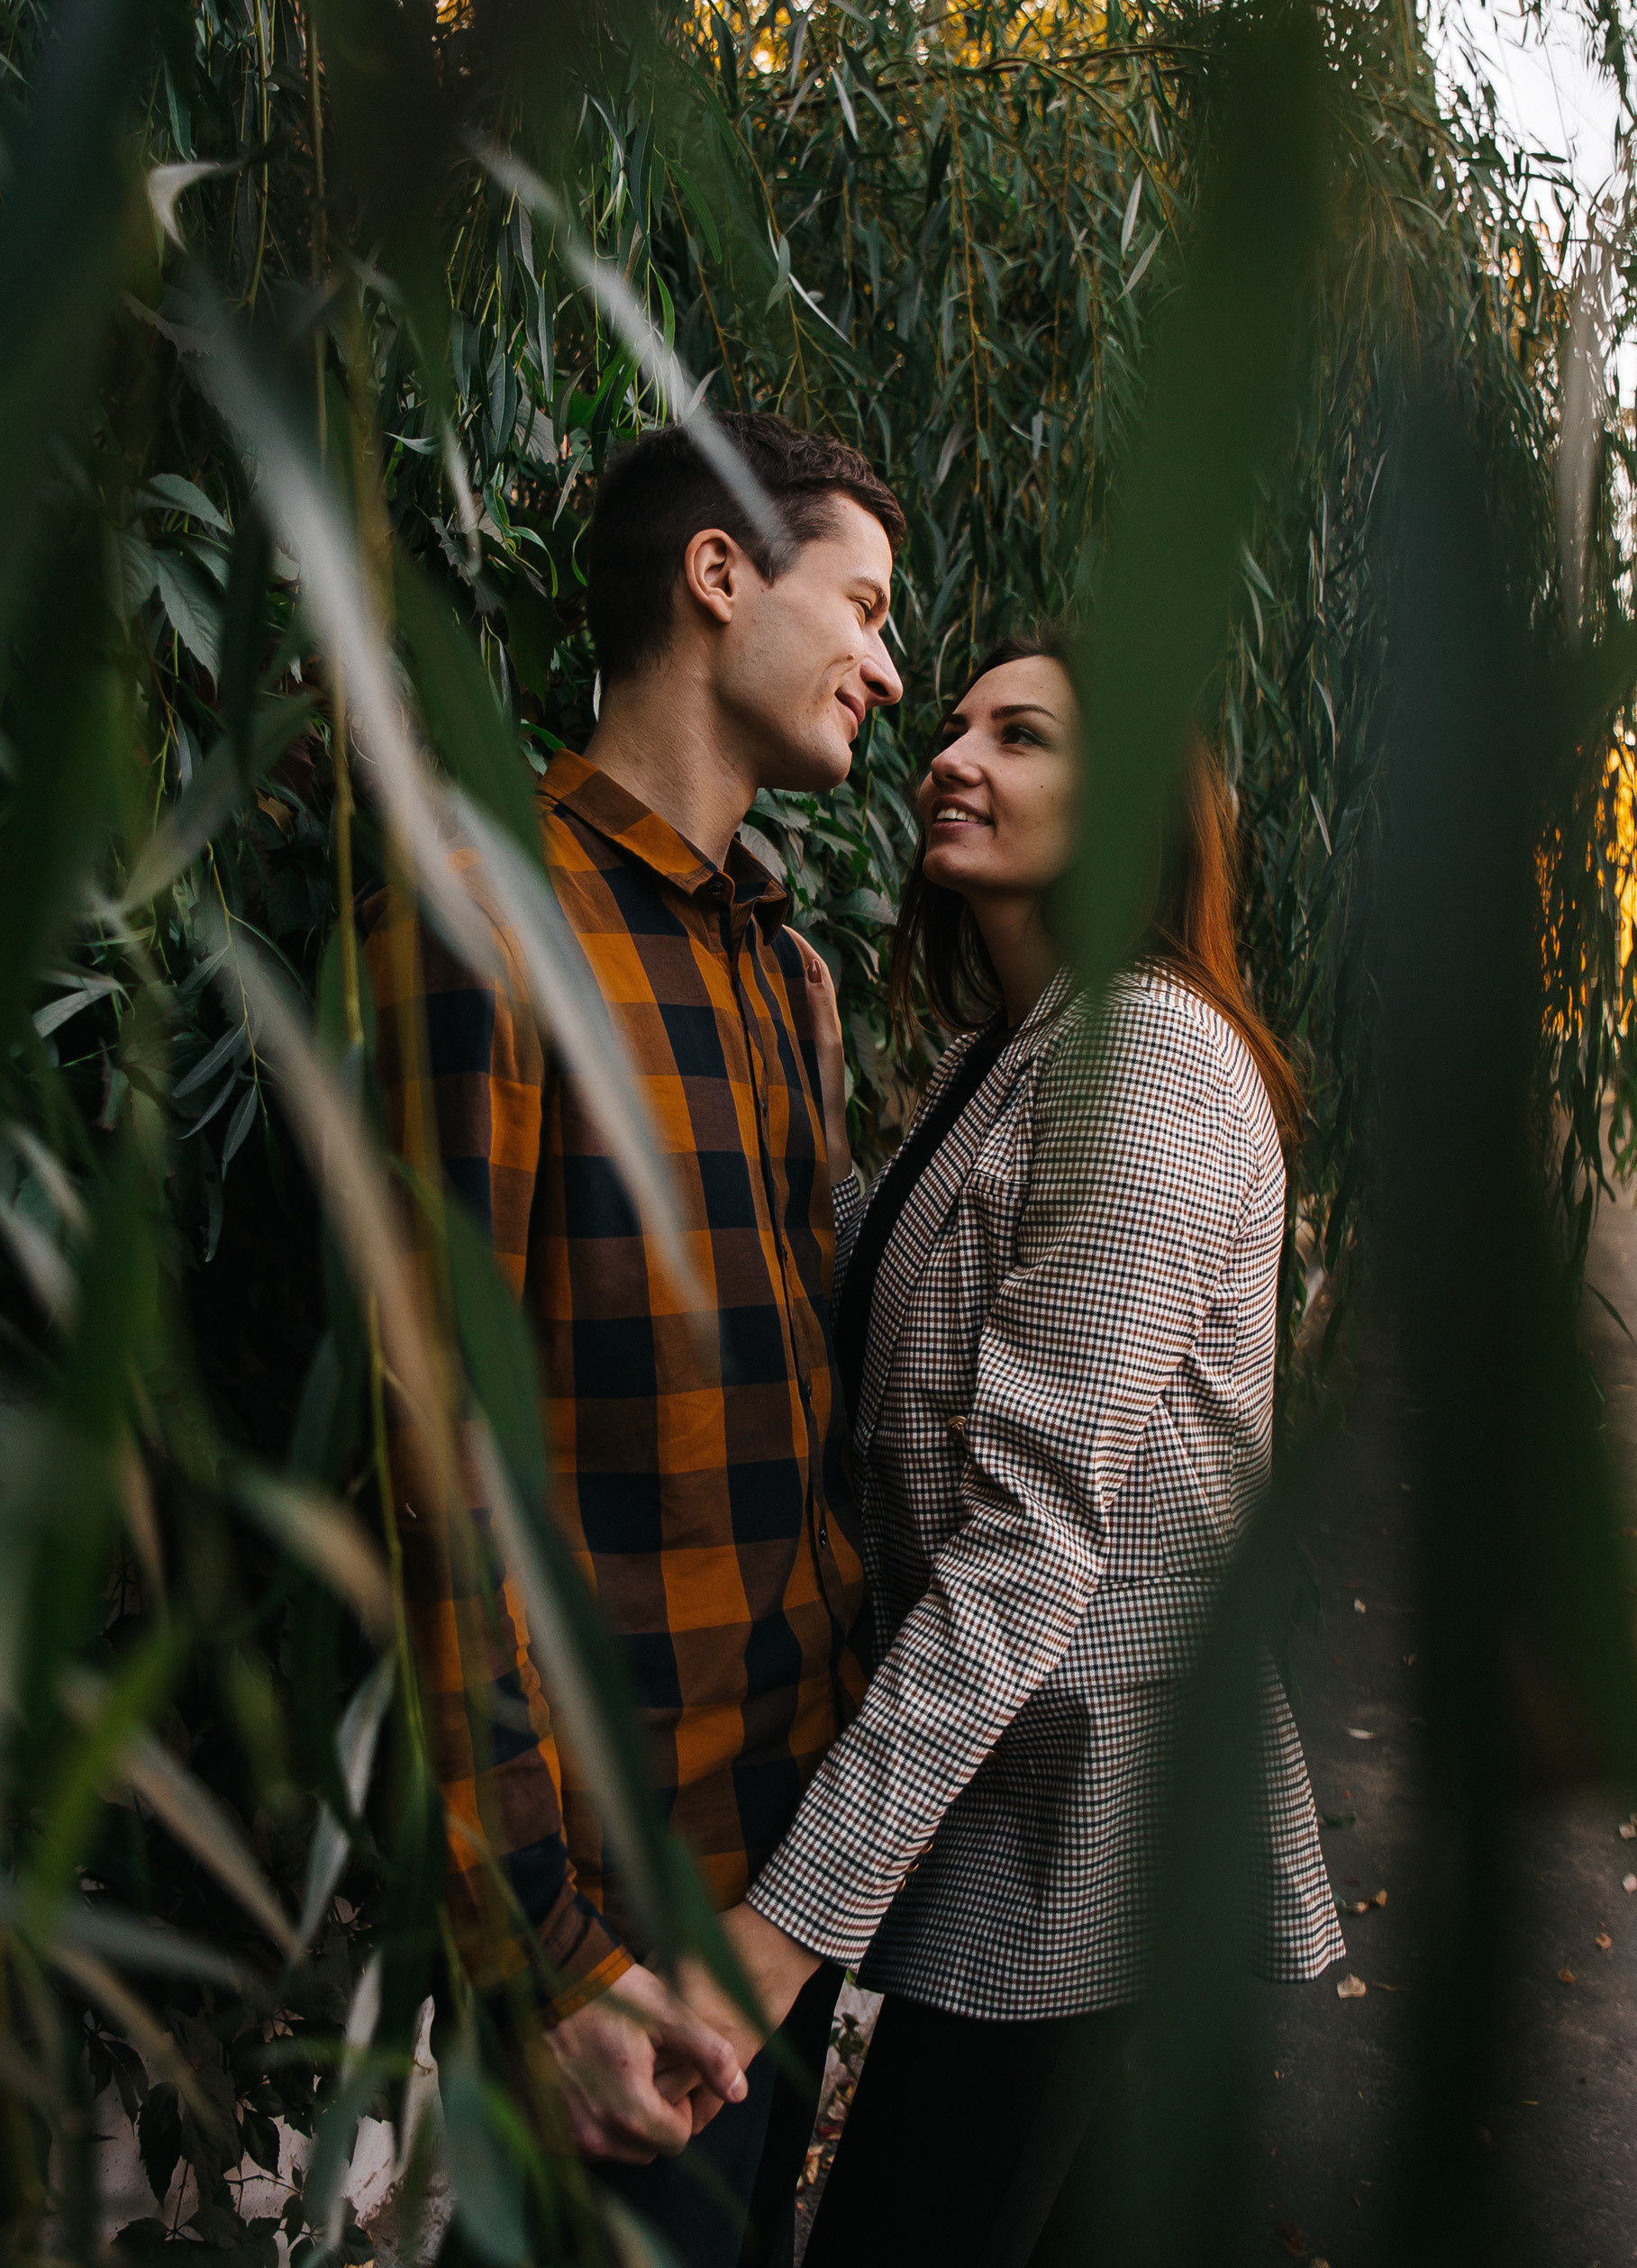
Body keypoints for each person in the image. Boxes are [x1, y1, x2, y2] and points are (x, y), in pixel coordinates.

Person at [690, 633, 1346, 2265]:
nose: (951, 755)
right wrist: (823, 1117)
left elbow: (1025, 1547)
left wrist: (785, 1930)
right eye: (959, 725)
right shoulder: (1021, 1052)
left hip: (1096, 1828)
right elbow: (915, 1336)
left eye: (1022, 736)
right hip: (1041, 1804)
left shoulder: (1145, 1066)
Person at [360, 413, 904, 2264]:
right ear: (719, 573)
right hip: (618, 1888)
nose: (890, 669)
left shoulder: (787, 973)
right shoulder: (486, 908)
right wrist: (544, 1949)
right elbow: (438, 1462)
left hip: (791, 1853)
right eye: (865, 604)